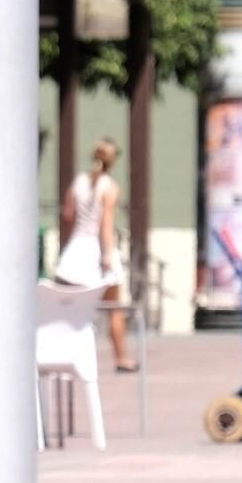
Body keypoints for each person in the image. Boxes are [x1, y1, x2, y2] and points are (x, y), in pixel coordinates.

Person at [54, 137, 136, 371]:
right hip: (97, 251)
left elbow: (68, 215)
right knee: (114, 309)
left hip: (74, 253)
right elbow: (105, 224)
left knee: (67, 311)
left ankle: (61, 355)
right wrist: (108, 255)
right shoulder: (110, 187)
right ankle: (121, 358)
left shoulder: (78, 182)